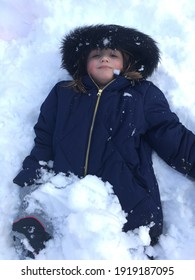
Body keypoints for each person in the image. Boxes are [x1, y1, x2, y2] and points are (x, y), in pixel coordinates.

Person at [12, 24, 195, 259]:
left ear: (127, 63)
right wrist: (33, 175)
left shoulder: (142, 95)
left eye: (113, 55)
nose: (104, 59)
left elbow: (171, 135)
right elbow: (45, 138)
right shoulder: (63, 93)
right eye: (97, 55)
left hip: (126, 198)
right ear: (84, 62)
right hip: (64, 192)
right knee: (44, 241)